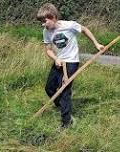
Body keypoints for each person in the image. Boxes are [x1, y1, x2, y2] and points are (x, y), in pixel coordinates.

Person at [37, 3, 104, 131]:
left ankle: (66, 122)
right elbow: (48, 50)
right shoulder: (46, 31)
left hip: (71, 62)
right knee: (49, 88)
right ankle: (62, 106)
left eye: (44, 21)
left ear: (53, 17)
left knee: (64, 90)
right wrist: (56, 58)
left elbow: (84, 30)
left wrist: (96, 44)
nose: (43, 24)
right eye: (41, 22)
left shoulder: (69, 25)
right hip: (59, 62)